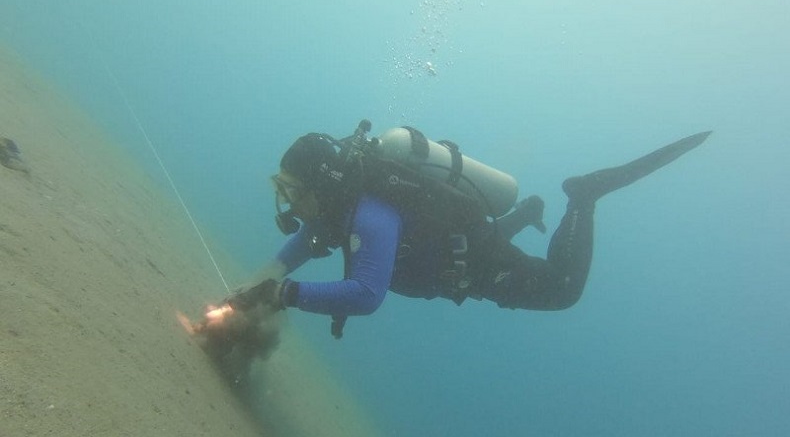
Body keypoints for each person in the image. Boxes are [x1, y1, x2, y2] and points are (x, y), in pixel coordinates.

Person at [228, 122, 710, 338]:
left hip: (475, 263)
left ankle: (583, 196)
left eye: (293, 189)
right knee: (481, 241)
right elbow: (306, 244)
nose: (289, 201)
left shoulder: (370, 212)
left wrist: (281, 295)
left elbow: (366, 294)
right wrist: (258, 282)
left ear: (323, 182)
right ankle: (521, 215)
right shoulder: (337, 208)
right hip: (451, 246)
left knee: (561, 290)